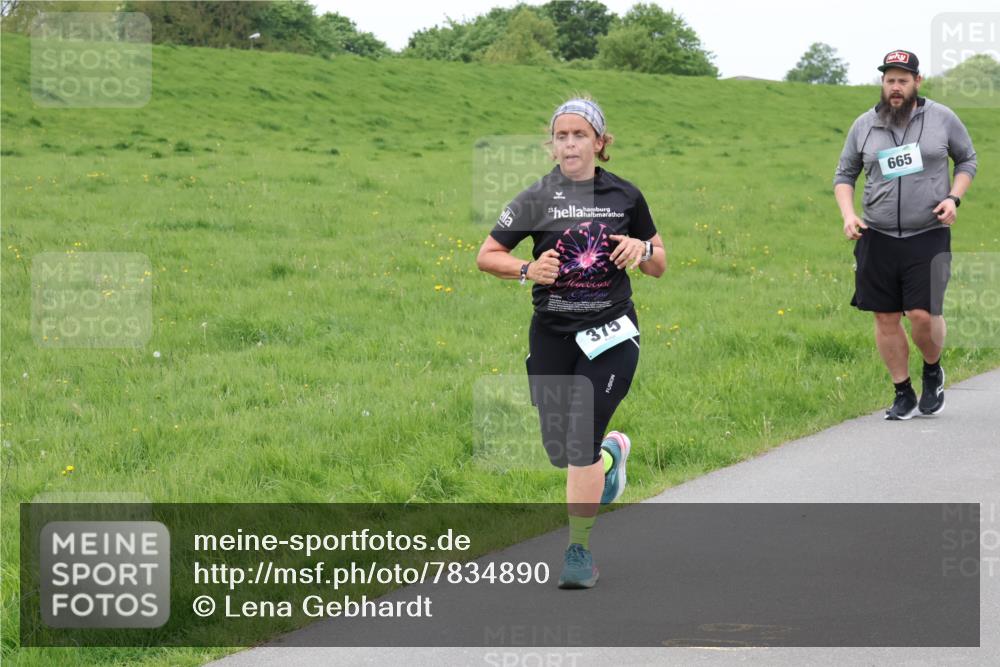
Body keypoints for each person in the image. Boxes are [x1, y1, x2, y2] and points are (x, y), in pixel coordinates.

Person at [476, 97, 666, 588]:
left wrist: (642, 249)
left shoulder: (626, 196)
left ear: (600, 143)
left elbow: (659, 261)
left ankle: (578, 551)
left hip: (612, 333)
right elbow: (487, 254)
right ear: (552, 144)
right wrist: (526, 269)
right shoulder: (535, 199)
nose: (570, 143)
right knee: (561, 448)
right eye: (561, 135)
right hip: (553, 333)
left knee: (577, 437)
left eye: (580, 135)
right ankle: (611, 458)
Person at [834, 50, 977, 420]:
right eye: (889, 80)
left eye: (902, 79)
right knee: (884, 316)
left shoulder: (942, 119)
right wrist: (849, 215)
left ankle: (932, 370)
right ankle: (903, 392)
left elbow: (967, 160)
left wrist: (953, 198)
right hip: (877, 235)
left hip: (927, 232)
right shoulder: (865, 125)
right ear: (882, 83)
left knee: (921, 314)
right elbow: (844, 175)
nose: (895, 87)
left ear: (917, 82)